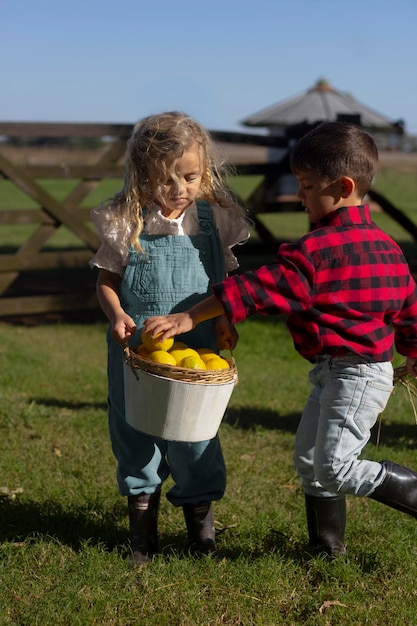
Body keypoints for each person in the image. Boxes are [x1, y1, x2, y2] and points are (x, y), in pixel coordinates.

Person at [144, 121, 417, 557]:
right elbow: (409, 308)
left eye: (307, 186)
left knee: (334, 466)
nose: (299, 196)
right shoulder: (388, 247)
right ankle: (327, 550)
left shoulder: (317, 252)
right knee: (311, 461)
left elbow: (254, 288)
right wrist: (414, 349)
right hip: (339, 372)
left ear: (343, 186)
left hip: (357, 376)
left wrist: (188, 316)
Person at [89, 111, 250, 565]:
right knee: (134, 433)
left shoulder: (215, 219)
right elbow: (105, 281)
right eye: (165, 180)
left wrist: (225, 321)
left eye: (191, 177)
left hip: (198, 356)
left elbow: (227, 289)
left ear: (205, 171)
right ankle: (143, 535)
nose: (179, 190)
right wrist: (118, 312)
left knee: (195, 435)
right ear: (141, 175)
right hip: (136, 352)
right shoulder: (128, 219)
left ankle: (201, 534)